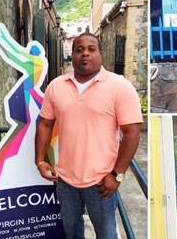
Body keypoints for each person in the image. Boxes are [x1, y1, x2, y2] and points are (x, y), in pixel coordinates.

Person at [35, 32, 143, 239]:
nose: (85, 54)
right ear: (72, 55)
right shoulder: (56, 86)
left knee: (106, 234)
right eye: (79, 49)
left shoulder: (120, 86)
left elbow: (132, 133)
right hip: (65, 180)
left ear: (100, 53)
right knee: (72, 233)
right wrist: (40, 160)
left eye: (91, 49)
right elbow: (45, 124)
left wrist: (117, 175)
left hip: (102, 182)